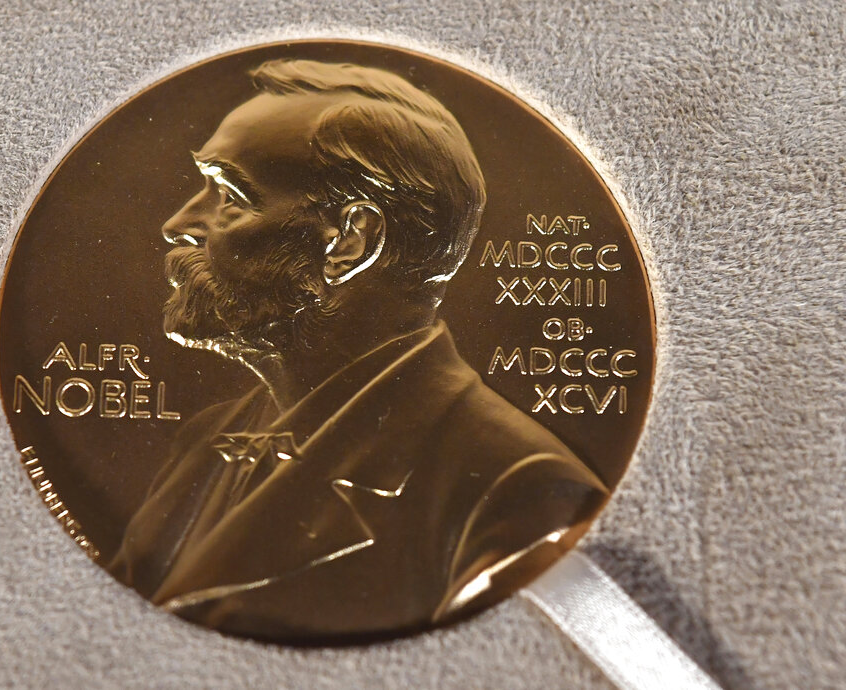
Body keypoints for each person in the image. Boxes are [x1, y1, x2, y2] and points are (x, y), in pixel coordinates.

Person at [108, 59, 607, 640]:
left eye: (229, 195)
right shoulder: (204, 444)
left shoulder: (522, 494)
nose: (178, 223)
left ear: (350, 240)